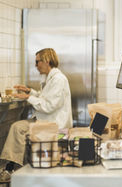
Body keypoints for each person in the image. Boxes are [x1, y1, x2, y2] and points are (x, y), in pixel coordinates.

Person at [0, 48, 72, 181]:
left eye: (37, 61)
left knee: (18, 128)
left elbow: (49, 106)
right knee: (18, 127)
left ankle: (12, 169)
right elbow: (45, 97)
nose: (36, 65)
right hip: (47, 120)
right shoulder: (50, 78)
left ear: (46, 61)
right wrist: (30, 92)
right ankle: (13, 168)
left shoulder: (58, 80)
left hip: (54, 125)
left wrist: (27, 97)